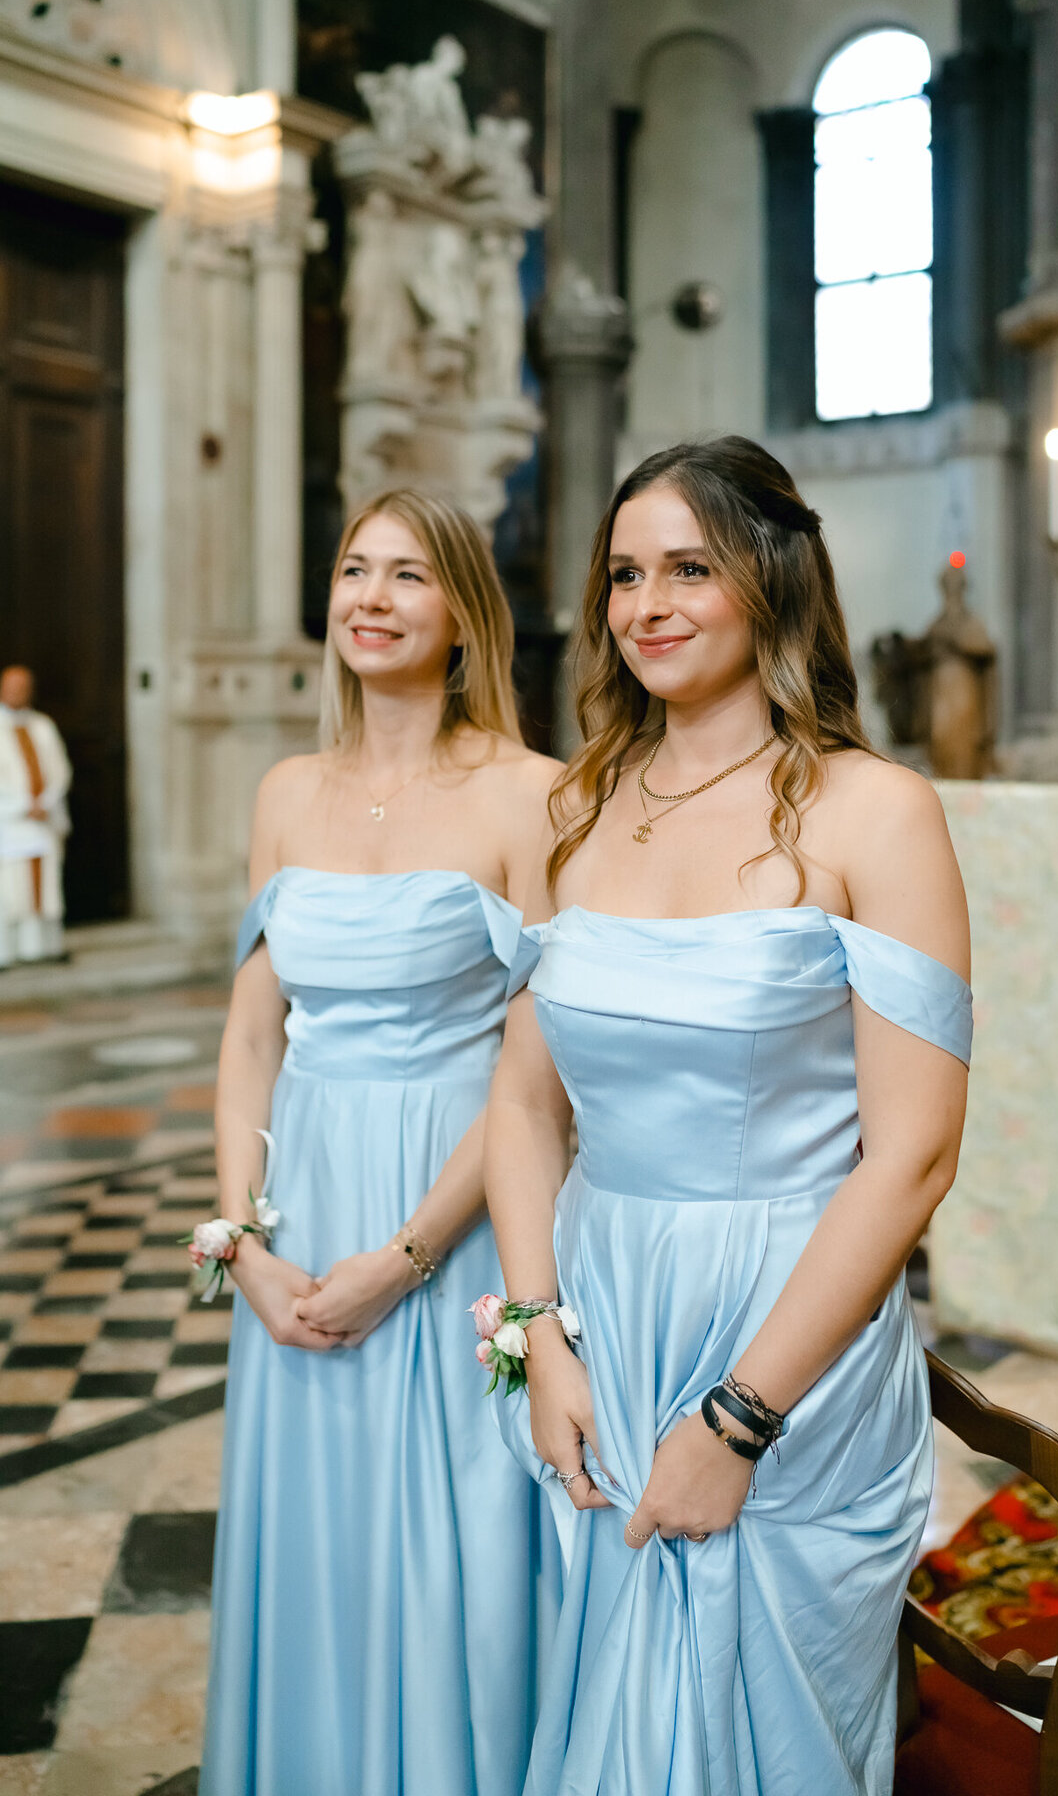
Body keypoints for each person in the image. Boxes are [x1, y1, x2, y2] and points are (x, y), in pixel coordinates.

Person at [485, 436, 972, 1795]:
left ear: (768, 578)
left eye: (689, 567)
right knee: (609, 1720)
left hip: (784, 1334)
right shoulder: (577, 810)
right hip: (607, 1318)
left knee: (755, 1738)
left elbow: (916, 1151)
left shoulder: (877, 813)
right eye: (625, 573)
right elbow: (523, 1107)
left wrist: (740, 1419)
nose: (647, 603)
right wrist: (539, 1339)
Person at [200, 490, 560, 1796]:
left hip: (451, 1209)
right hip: (301, 1214)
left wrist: (405, 1258)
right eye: (356, 569)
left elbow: (540, 1082)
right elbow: (251, 1036)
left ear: (463, 611)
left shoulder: (533, 796)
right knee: (318, 1533)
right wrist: (241, 1238)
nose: (373, 597)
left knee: (449, 1536)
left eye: (409, 576)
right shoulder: (285, 792)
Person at [0, 665, 72, 968]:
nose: (19, 693)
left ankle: (44, 948)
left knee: (45, 886)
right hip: (9, 822)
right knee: (10, 889)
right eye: (13, 687)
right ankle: (7, 952)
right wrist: (20, 805)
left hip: (42, 819)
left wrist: (46, 800)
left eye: (24, 687)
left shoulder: (43, 726)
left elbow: (59, 769)